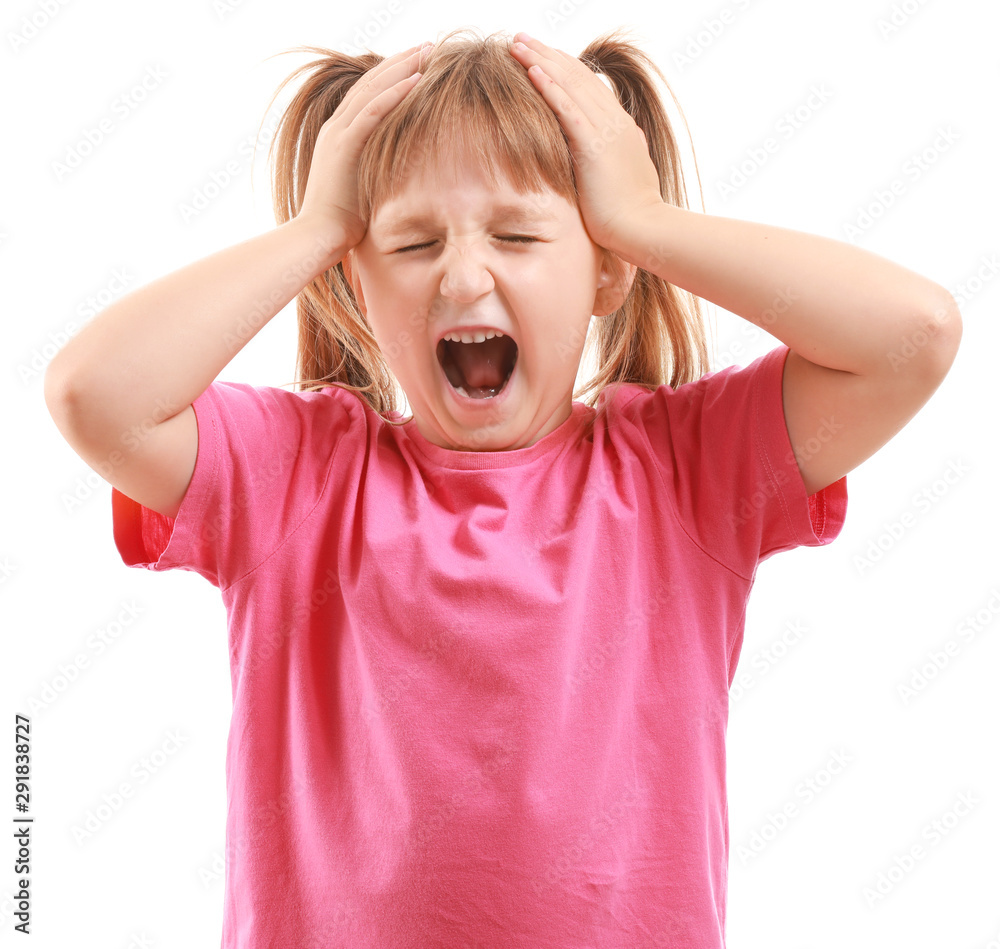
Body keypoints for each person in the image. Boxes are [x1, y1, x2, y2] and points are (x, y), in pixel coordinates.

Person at [43, 25, 962, 949]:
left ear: (605, 266)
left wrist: (643, 222)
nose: (463, 273)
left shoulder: (685, 471)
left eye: (519, 233)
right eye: (409, 243)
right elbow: (96, 394)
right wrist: (320, 228)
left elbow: (913, 336)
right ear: (356, 284)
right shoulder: (299, 477)